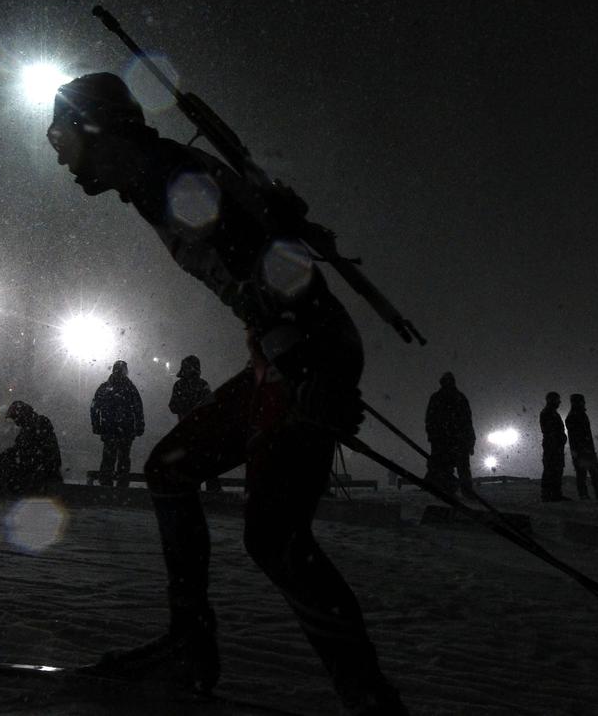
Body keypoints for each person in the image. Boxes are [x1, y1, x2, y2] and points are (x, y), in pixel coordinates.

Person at [48, 73, 405, 714]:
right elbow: (264, 241)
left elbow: (261, 255)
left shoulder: (168, 177)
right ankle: (194, 643)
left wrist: (309, 366)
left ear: (98, 129)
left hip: (303, 351)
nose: (58, 156)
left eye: (62, 137)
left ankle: (367, 697)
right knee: (171, 470)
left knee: (275, 538)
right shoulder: (154, 177)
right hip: (291, 351)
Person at [0, 401, 63, 495]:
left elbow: (28, 450)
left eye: (15, 418)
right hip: (41, 473)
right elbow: (20, 449)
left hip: (42, 475)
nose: (16, 422)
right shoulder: (31, 427)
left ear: (22, 415)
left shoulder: (37, 426)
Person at [168, 355, 221, 493]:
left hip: (187, 428)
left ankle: (191, 490)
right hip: (202, 428)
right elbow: (212, 406)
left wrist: (185, 406)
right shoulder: (202, 384)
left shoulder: (179, 385)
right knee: (206, 460)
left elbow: (173, 406)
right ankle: (213, 491)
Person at [90, 359, 145, 487]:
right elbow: (138, 408)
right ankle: (121, 486)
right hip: (125, 428)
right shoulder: (130, 388)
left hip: (109, 427)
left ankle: (106, 485)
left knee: (109, 458)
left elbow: (94, 407)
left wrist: (96, 424)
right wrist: (139, 425)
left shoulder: (105, 388)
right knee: (123, 459)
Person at [423, 371, 476, 498]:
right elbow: (467, 421)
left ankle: (451, 490)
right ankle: (461, 491)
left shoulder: (438, 398)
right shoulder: (459, 398)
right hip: (455, 440)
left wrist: (433, 436)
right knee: (459, 468)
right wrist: (470, 440)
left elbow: (430, 420)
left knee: (446, 467)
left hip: (445, 440)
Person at [565, 393, 598, 500]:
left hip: (584, 449)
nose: (583, 403)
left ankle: (594, 494)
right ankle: (587, 494)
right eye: (581, 401)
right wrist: (582, 448)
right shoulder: (574, 416)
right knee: (584, 474)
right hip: (582, 450)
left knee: (591, 473)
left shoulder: (578, 415)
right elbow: (576, 436)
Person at [539, 392, 570, 502]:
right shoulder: (547, 413)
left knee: (556, 469)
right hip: (552, 446)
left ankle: (554, 494)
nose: (559, 402)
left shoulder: (552, 413)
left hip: (555, 446)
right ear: (552, 400)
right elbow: (548, 430)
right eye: (557, 400)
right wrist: (558, 439)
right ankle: (548, 495)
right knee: (551, 469)